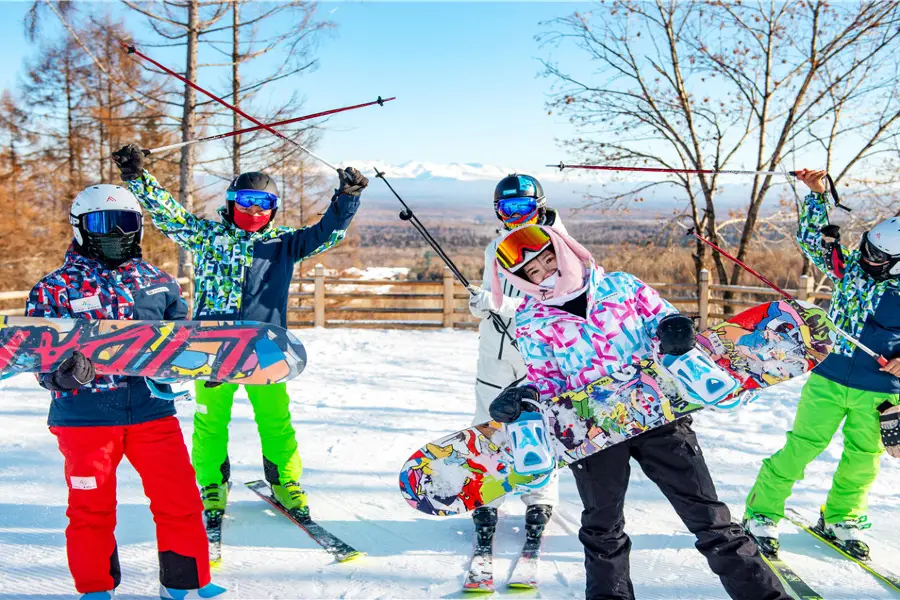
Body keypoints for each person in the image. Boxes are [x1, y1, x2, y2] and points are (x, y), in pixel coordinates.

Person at [487, 224, 789, 600]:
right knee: (602, 529)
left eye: (549, 260)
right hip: (593, 430)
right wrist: (523, 399)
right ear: (524, 282)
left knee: (710, 519)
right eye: (533, 272)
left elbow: (662, 323)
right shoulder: (533, 319)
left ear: (563, 251)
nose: (546, 273)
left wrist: (676, 331)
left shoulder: (621, 287)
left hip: (658, 414)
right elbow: (546, 379)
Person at [112, 144, 366, 516]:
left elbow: (328, 232)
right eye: (246, 201)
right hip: (210, 346)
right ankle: (212, 484)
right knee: (210, 420)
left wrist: (347, 197)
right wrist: (137, 176)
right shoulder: (205, 236)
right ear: (231, 202)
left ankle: (285, 482)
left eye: (263, 203)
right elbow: (169, 215)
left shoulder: (283, 244)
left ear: (273, 209)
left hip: (266, 347)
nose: (254, 211)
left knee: (275, 419)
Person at [26, 184, 224, 600]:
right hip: (86, 419)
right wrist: (59, 376)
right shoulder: (54, 289)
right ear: (80, 228)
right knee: (90, 509)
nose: (116, 231)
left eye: (126, 222)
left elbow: (181, 343)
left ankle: (186, 583)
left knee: (180, 501)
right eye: (103, 223)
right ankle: (95, 588)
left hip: (153, 411)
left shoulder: (158, 282)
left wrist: (207, 364)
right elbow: (38, 357)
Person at [743, 168, 900, 560]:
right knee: (802, 446)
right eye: (866, 247)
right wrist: (816, 196)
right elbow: (815, 243)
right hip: (828, 378)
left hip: (880, 389)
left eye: (878, 257)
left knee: (864, 458)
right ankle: (761, 512)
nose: (866, 258)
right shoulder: (852, 275)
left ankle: (842, 518)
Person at [465, 174, 566, 536]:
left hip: (536, 353)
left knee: (535, 424)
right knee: (488, 422)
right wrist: (483, 305)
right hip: (494, 349)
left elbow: (560, 301)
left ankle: (539, 497)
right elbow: (493, 294)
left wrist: (502, 304)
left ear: (539, 205)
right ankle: (486, 496)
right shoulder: (495, 247)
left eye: (523, 207)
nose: (516, 217)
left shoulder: (560, 246)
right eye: (508, 209)